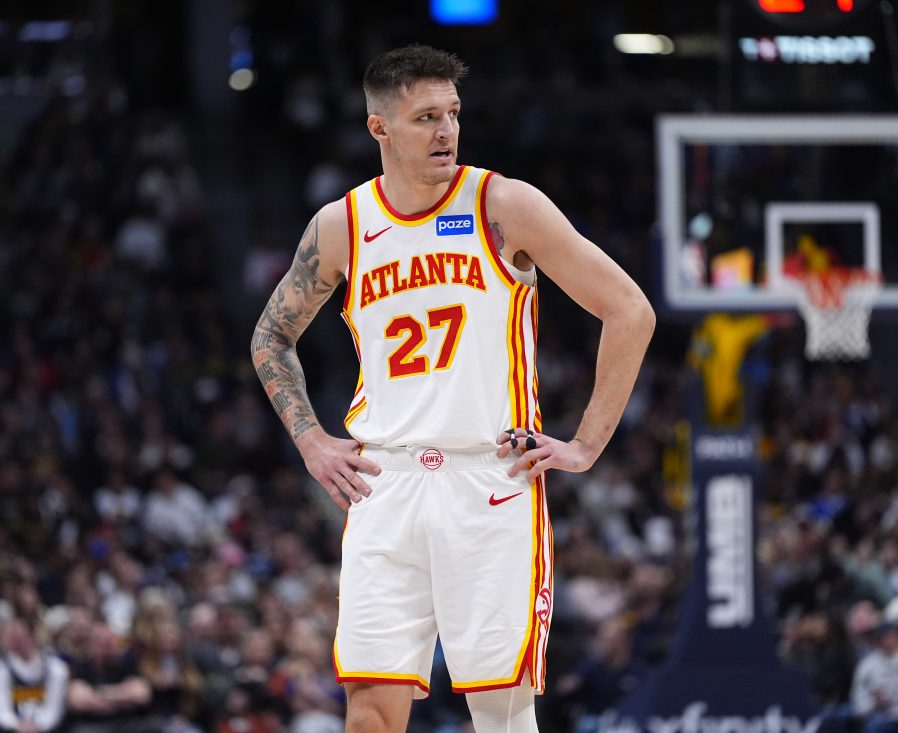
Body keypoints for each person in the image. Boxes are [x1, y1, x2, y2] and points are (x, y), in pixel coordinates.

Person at [251, 44, 654, 733]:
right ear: (380, 128)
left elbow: (630, 309)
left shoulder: (505, 205)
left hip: (487, 479)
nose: (446, 131)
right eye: (425, 117)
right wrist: (312, 440)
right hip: (386, 482)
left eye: (453, 114)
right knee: (369, 711)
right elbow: (271, 336)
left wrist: (586, 444)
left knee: (499, 713)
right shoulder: (342, 227)